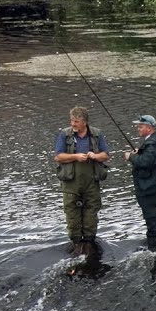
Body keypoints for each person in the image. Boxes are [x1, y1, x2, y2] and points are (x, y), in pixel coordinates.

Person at [54, 106, 110, 255]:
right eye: (72, 120)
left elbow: (105, 155)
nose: (73, 124)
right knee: (72, 212)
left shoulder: (97, 134)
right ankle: (76, 243)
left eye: (76, 121)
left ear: (84, 122)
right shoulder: (64, 135)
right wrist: (76, 157)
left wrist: (95, 156)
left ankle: (90, 242)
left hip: (91, 180)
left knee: (92, 210)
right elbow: (58, 157)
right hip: (71, 182)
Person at [123, 114, 156, 252]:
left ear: (149, 128)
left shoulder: (152, 144)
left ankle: (154, 248)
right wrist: (140, 151)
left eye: (140, 126)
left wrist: (131, 157)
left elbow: (145, 162)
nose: (138, 129)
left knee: (152, 219)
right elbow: (153, 159)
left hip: (150, 188)